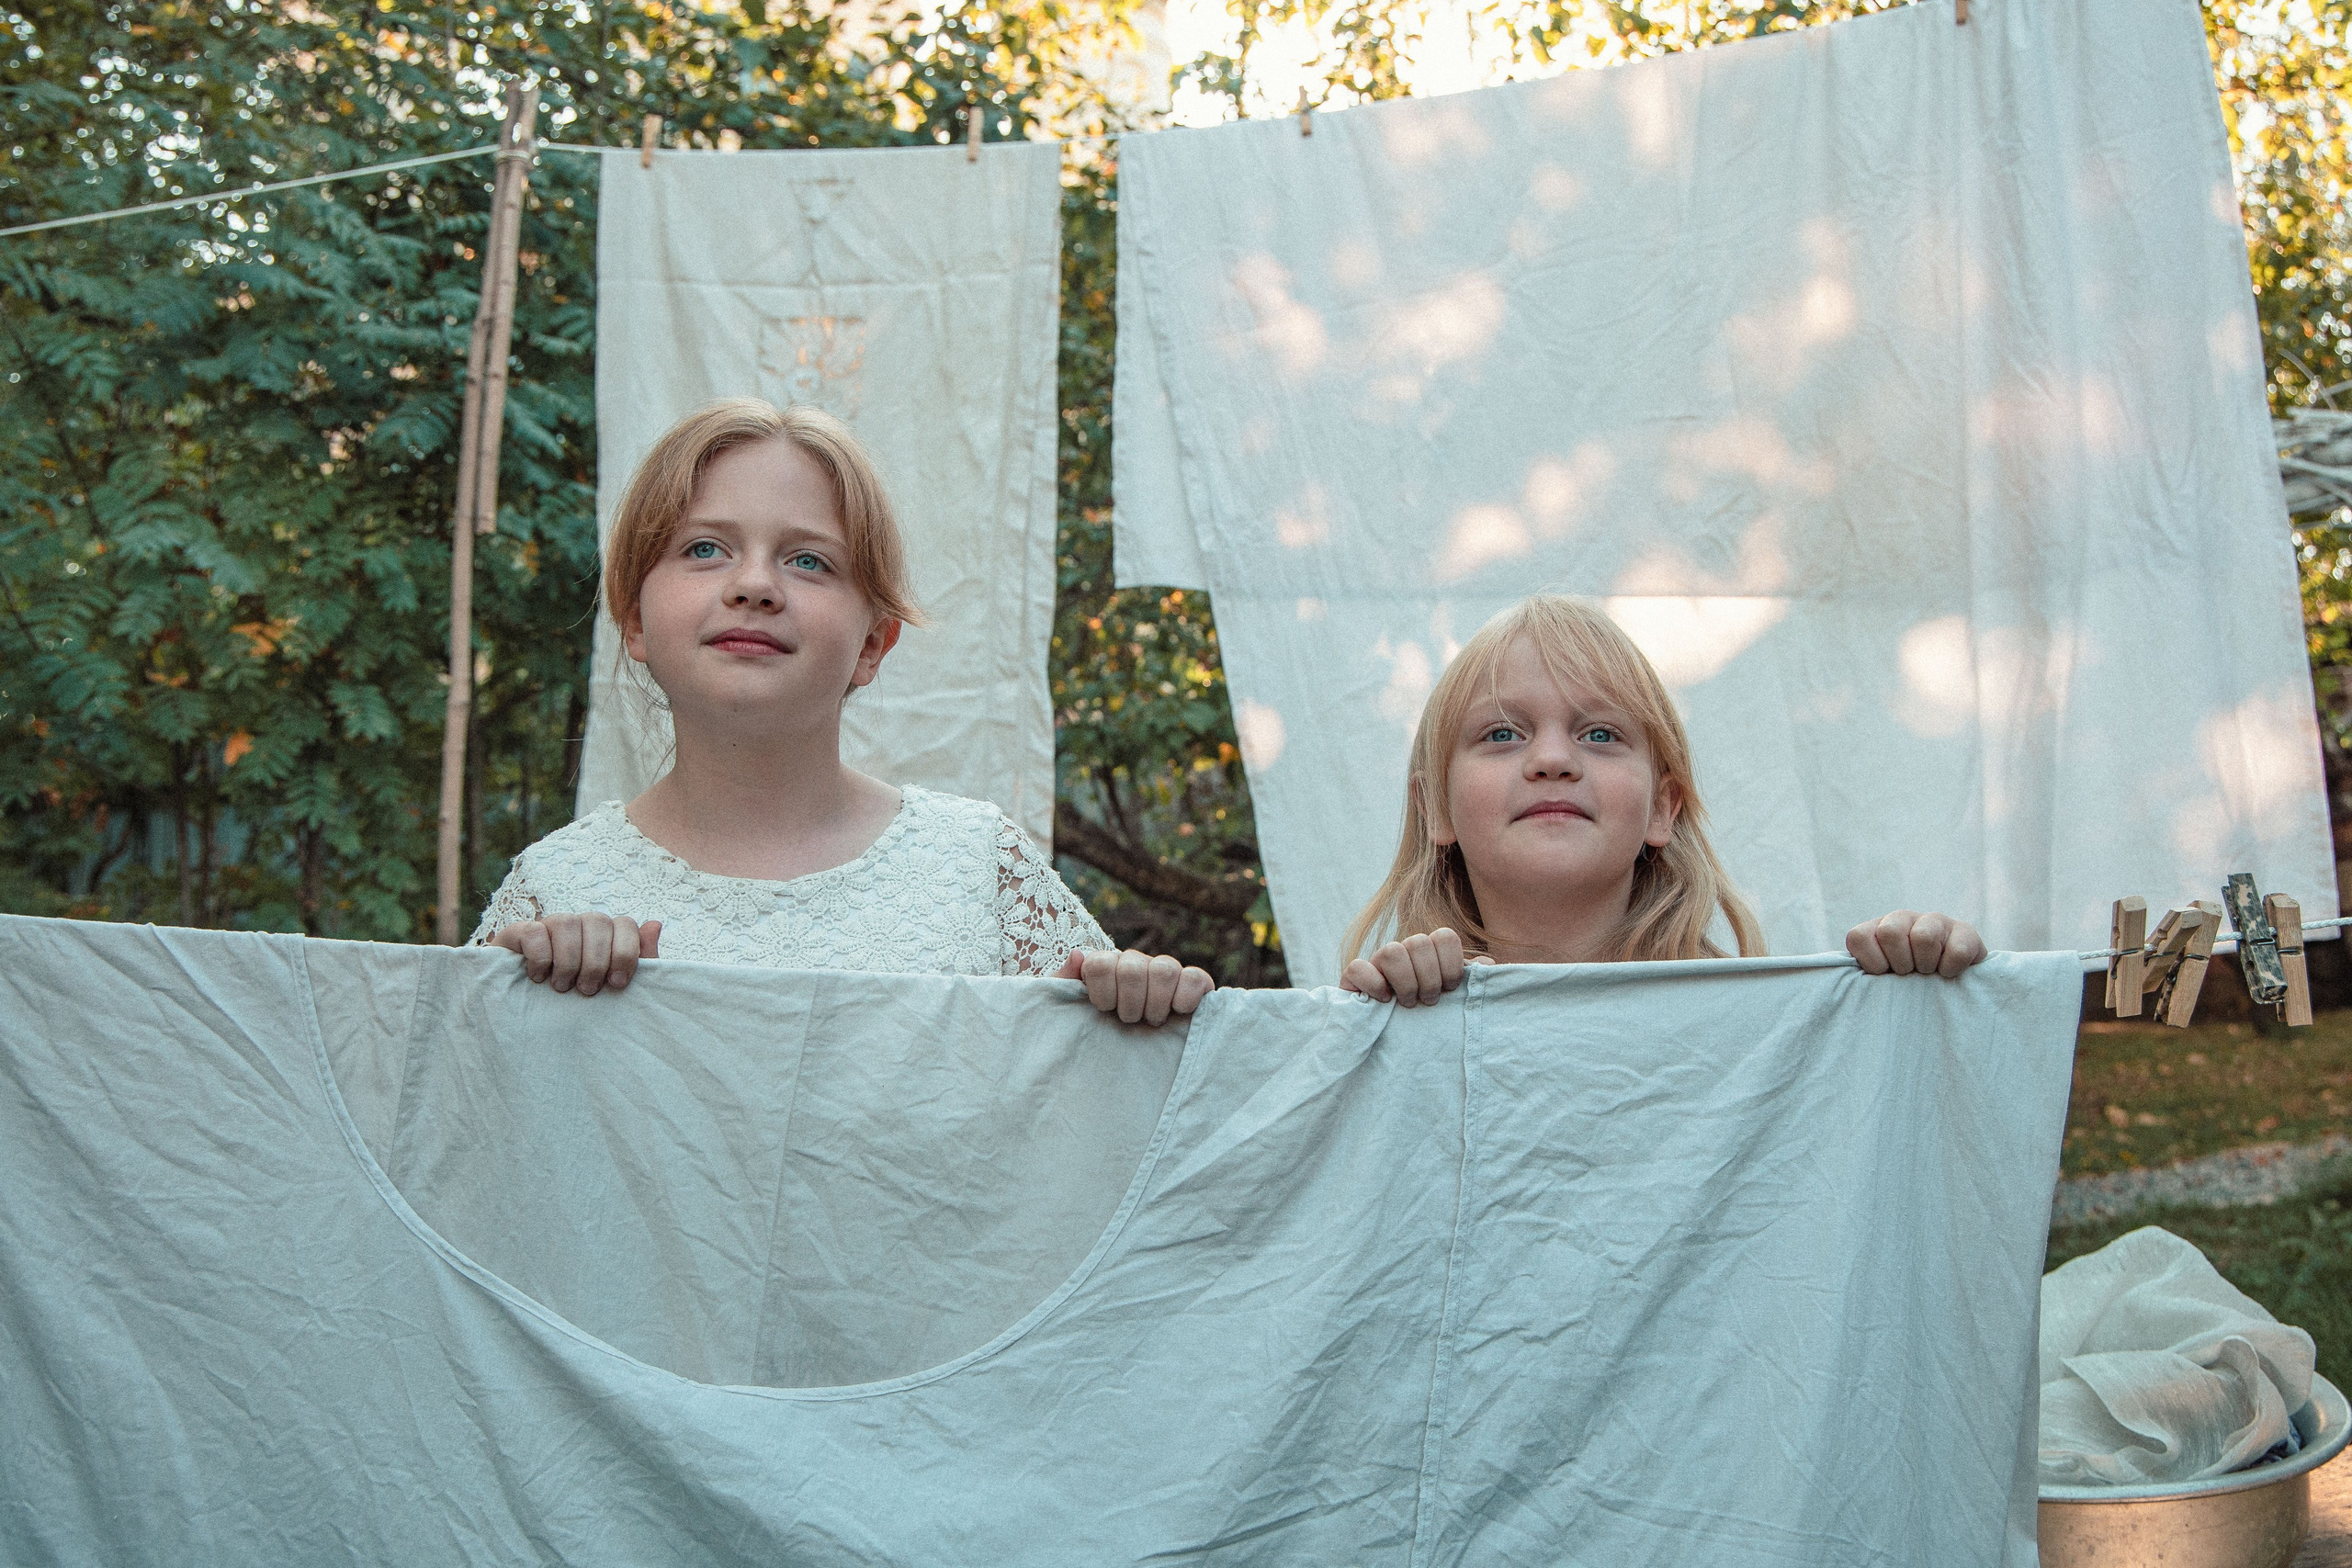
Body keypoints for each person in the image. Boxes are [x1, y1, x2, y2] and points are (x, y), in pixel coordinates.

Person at [471, 398, 1210, 1027]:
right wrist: (500, 1001)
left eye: (808, 561)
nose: (754, 584)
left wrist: (1142, 1014)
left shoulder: (978, 871)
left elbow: (1107, 1118)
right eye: (704, 548)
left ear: (872, 644)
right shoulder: (556, 887)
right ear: (634, 620)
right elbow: (447, 1128)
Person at [1340, 595, 1986, 1005]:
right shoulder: (1394, 1017)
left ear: (1663, 807)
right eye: (1502, 732)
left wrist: (1920, 1004)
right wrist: (1372, 1043)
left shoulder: (1760, 1025)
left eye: (1600, 733)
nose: (1553, 759)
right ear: (1436, 809)